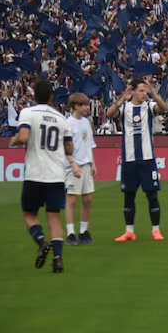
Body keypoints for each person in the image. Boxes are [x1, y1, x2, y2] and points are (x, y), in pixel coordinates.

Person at [10, 79, 73, 274]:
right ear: (52, 97)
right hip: (56, 175)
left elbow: (23, 137)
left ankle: (42, 241)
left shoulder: (28, 113)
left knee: (29, 214)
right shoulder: (61, 118)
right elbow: (70, 148)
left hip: (35, 173)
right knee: (54, 217)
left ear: (34, 95)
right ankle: (58, 259)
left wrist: (14, 140)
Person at [106, 77, 168, 242]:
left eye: (145, 90)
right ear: (132, 91)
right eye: (141, 90)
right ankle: (129, 231)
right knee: (129, 196)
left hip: (147, 159)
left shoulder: (149, 106)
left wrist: (153, 93)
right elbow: (109, 114)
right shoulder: (125, 108)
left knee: (152, 195)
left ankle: (156, 230)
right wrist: (122, 98)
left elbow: (164, 108)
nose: (144, 93)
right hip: (129, 160)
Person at [65, 93, 97, 245]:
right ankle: (70, 233)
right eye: (84, 105)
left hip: (86, 164)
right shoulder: (68, 124)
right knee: (71, 200)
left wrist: (93, 163)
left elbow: (89, 144)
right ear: (77, 106)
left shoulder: (86, 122)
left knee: (88, 199)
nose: (87, 108)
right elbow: (64, 147)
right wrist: (73, 164)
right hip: (73, 166)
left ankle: (83, 231)